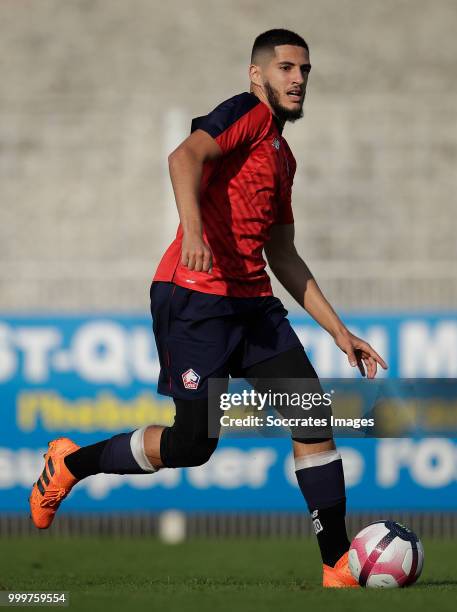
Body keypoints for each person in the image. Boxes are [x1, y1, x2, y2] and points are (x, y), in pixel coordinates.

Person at [29, 28, 387, 587]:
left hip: (253, 306)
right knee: (192, 445)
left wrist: (341, 331)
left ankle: (336, 564)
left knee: (312, 416)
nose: (297, 79)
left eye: (305, 71)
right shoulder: (245, 111)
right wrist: (193, 233)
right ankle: (70, 464)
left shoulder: (282, 157)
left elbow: (284, 254)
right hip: (195, 298)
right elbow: (183, 157)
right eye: (287, 68)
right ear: (257, 74)